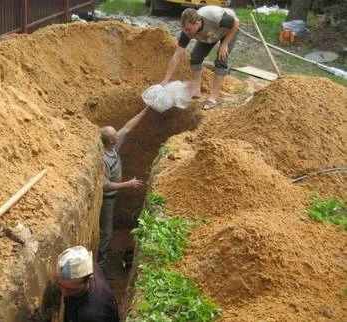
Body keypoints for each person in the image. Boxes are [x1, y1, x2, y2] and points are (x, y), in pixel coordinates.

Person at [98, 106, 149, 273]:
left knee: (108, 230)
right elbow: (105, 186)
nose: (118, 134)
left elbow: (127, 127)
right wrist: (128, 184)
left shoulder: (112, 147)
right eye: (115, 134)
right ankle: (101, 268)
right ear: (111, 140)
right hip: (107, 200)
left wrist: (146, 109)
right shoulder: (104, 159)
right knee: (105, 233)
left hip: (113, 197)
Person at [161, 6, 240, 110]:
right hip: (210, 34)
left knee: (221, 60)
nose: (187, 32)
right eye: (185, 29)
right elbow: (177, 55)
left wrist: (224, 45)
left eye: (189, 29)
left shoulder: (214, 16)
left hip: (227, 30)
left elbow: (235, 23)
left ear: (197, 23)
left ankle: (213, 97)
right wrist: (166, 80)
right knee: (195, 57)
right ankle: (196, 90)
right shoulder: (187, 31)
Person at [56, 245, 119, 322]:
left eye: (72, 290)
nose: (64, 293)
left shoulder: (96, 315)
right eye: (61, 286)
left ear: (89, 279)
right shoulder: (86, 267)